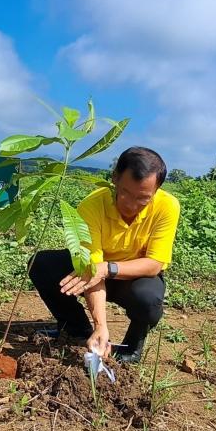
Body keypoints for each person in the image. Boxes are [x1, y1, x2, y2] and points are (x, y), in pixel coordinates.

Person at [29, 147, 179, 364]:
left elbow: (154, 264)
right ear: (115, 178)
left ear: (156, 191)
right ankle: (76, 330)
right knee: (42, 264)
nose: (131, 204)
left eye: (143, 198)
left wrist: (107, 269)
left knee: (148, 299)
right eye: (126, 192)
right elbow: (92, 270)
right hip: (93, 273)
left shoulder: (167, 206)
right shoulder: (92, 205)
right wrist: (101, 326)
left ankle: (131, 348)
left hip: (132, 277)